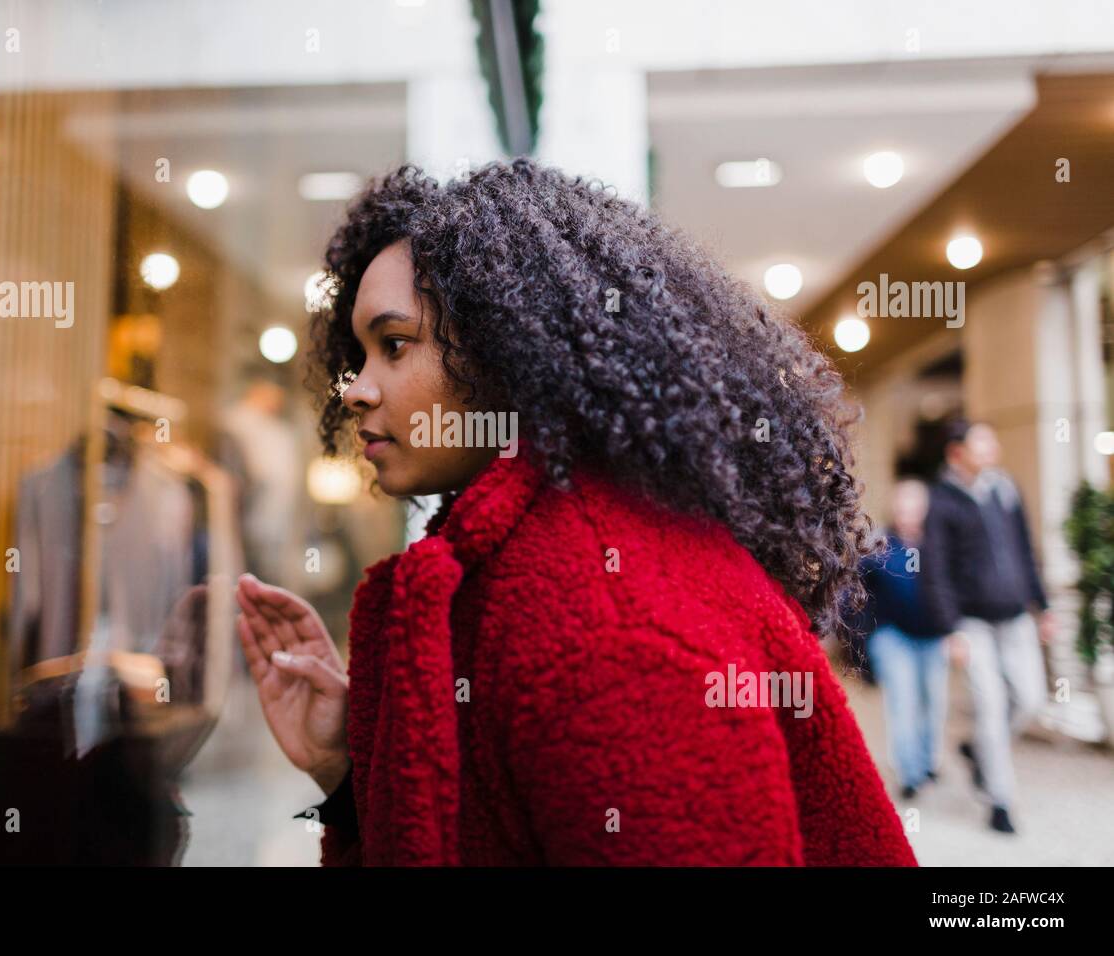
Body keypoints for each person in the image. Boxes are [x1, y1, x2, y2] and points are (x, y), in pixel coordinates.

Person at [235, 158, 917, 866]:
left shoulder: (602, 616)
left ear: (504, 344)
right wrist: (346, 775)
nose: (356, 389)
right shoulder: (535, 559)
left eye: (395, 345)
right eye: (359, 354)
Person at [921, 420, 1054, 834]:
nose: (992, 447)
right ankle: (1000, 800)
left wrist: (1043, 606)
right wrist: (950, 630)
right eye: (983, 441)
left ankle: (978, 750)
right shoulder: (941, 501)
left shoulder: (1005, 489)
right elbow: (935, 570)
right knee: (992, 707)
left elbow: (1024, 549)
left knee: (1030, 700)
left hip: (1015, 617)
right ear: (956, 453)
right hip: (971, 622)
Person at [859, 480, 949, 802]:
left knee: (932, 702)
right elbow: (857, 595)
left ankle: (927, 763)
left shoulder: (938, 545)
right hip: (892, 635)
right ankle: (909, 773)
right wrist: (862, 644)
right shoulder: (880, 544)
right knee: (902, 701)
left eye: (914, 505)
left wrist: (954, 629)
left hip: (932, 637)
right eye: (902, 505)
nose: (907, 512)